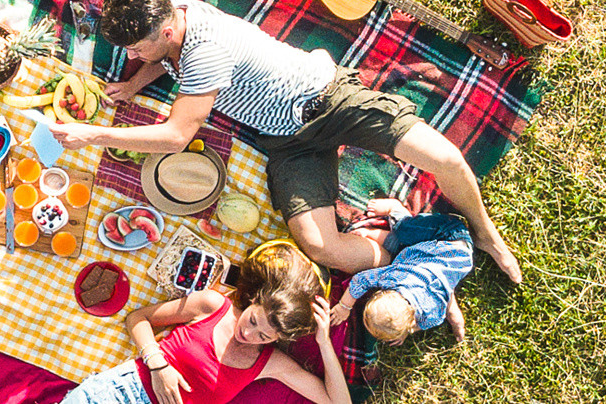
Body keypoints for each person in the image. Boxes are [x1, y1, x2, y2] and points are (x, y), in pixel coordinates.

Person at [48, 0, 522, 284]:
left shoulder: (204, 53)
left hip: (329, 99)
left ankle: (483, 231)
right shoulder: (176, 14)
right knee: (324, 249)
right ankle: (411, 255)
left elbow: (176, 135)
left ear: (168, 30)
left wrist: (91, 134)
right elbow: (165, 56)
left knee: (446, 158)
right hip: (286, 140)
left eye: (135, 50)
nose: (130, 57)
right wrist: (134, 85)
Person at [61, 242, 349, 404]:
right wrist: (158, 366)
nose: (248, 333)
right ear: (253, 300)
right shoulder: (213, 305)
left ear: (276, 340)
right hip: (120, 393)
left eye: (263, 336)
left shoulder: (271, 363)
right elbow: (139, 318)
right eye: (253, 320)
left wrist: (324, 342)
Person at [328, 198, 475, 344]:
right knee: (404, 236)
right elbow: (360, 281)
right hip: (450, 239)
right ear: (381, 291)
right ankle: (391, 214)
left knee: (400, 246)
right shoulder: (393, 278)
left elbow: (422, 324)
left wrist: (405, 329)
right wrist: (344, 307)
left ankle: (386, 218)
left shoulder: (432, 314)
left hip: (441, 252)